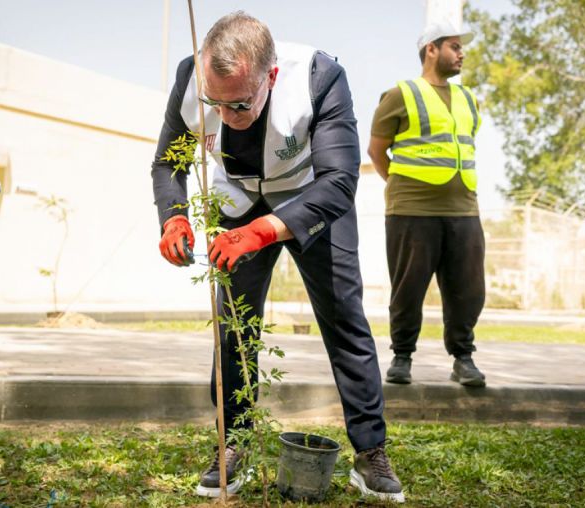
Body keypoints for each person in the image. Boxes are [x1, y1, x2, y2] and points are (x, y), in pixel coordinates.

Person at [151, 11, 404, 503]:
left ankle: (370, 451)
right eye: (214, 103)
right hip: (235, 199)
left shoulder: (319, 77)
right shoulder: (190, 75)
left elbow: (340, 181)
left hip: (311, 197)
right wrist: (174, 216)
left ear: (270, 77)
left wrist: (266, 230)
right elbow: (169, 162)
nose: (224, 116)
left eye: (239, 105)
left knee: (345, 319)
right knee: (234, 327)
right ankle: (234, 443)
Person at [367, 19, 486, 387]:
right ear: (431, 49)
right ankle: (402, 356)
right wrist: (402, 186)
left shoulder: (468, 98)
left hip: (464, 209)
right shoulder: (401, 94)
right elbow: (376, 150)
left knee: (468, 289)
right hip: (411, 211)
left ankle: (463, 359)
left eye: (461, 47)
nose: (461, 53)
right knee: (408, 287)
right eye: (454, 46)